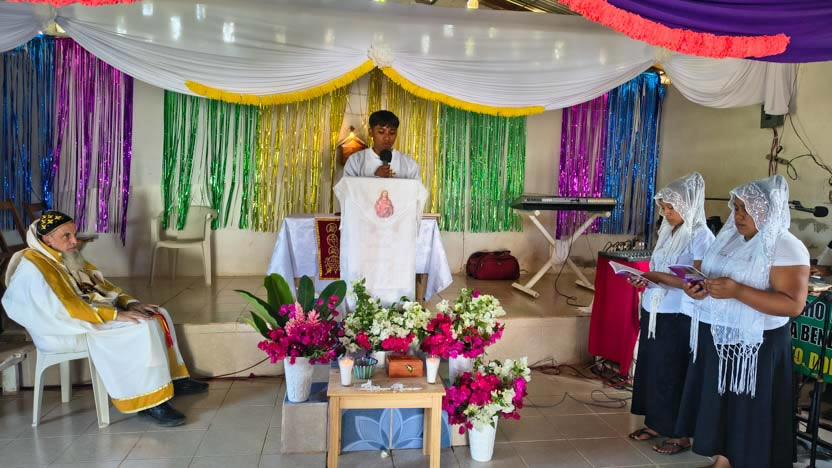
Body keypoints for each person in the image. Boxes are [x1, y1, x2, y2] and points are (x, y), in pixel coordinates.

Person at [2, 211, 208, 427]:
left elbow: (99, 286)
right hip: (62, 330)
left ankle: (175, 380)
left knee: (157, 314)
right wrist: (116, 315)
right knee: (140, 326)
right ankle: (150, 403)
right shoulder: (35, 267)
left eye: (74, 234)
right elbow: (64, 309)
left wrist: (129, 303)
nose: (74, 241)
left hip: (84, 316)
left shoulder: (61, 255)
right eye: (66, 236)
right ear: (47, 239)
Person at [678, 175, 809, 468]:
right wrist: (701, 289)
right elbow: (716, 280)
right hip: (721, 334)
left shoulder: (785, 246)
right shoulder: (731, 239)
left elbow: (793, 304)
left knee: (749, 409)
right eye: (736, 208)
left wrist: (737, 291)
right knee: (725, 404)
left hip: (758, 343)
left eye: (747, 209)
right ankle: (724, 460)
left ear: (767, 210)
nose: (738, 215)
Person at [625, 172, 714, 455]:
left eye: (671, 208)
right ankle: (656, 423)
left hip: (680, 314)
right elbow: (658, 269)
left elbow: (699, 281)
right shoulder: (666, 230)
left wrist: (657, 277)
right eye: (663, 208)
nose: (666, 213)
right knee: (653, 369)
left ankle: (679, 434)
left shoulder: (701, 235)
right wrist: (645, 280)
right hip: (655, 310)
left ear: (688, 206)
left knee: (674, 372)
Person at [343, 110, 420, 179]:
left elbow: (416, 189)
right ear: (371, 132)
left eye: (392, 133)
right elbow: (348, 188)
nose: (387, 138)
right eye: (381, 132)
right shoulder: (356, 161)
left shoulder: (409, 164)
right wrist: (375, 177)